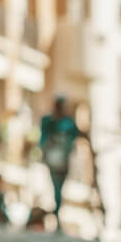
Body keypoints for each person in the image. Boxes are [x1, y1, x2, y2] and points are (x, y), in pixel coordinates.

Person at [38, 95, 86, 232]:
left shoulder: (54, 121)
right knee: (58, 188)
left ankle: (57, 212)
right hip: (58, 161)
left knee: (57, 188)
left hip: (57, 161)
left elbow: (43, 139)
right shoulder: (62, 122)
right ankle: (57, 213)